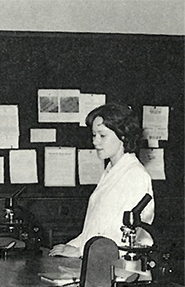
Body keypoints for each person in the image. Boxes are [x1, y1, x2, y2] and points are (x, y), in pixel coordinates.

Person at [49, 103, 154, 258]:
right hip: (99, 259)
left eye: (102, 135)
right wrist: (72, 245)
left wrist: (80, 251)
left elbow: (125, 233)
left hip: (119, 266)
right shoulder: (112, 170)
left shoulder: (135, 175)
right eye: (94, 135)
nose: (95, 142)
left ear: (123, 136)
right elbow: (94, 229)